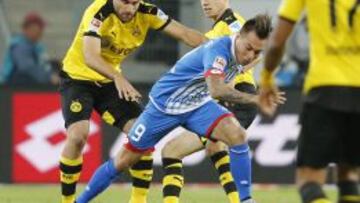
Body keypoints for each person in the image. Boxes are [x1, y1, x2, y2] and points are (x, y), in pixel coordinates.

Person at [77, 14, 283, 203]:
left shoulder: (245, 53)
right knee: (122, 161)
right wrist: (256, 98)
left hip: (197, 105)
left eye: (257, 51)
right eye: (248, 48)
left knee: (237, 134)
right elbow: (216, 90)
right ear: (238, 36)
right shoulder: (218, 50)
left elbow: (229, 76)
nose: (251, 55)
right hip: (165, 105)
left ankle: (245, 200)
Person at [58, 0, 206, 203]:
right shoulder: (98, 12)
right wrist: (118, 78)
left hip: (110, 81)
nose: (130, 9)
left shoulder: (149, 12)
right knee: (78, 136)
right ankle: (67, 201)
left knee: (142, 132)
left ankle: (138, 200)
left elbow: (186, 34)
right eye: (125, 2)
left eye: (135, 3)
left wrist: (224, 48)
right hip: (78, 79)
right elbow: (90, 56)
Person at [258, 0, 360, 203]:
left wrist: (267, 77)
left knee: (308, 181)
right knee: (349, 173)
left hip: (323, 89)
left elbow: (277, 42)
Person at [160, 0, 259, 202]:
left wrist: (231, 79)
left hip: (235, 99)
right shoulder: (220, 26)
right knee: (214, 147)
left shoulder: (232, 24)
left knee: (171, 151)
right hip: (231, 100)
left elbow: (257, 54)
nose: (205, 2)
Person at [0, 12, 57, 85]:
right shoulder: (19, 45)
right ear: (27, 28)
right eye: (39, 27)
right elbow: (27, 67)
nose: (41, 31)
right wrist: (49, 78)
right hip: (9, 88)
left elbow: (44, 65)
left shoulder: (37, 46)